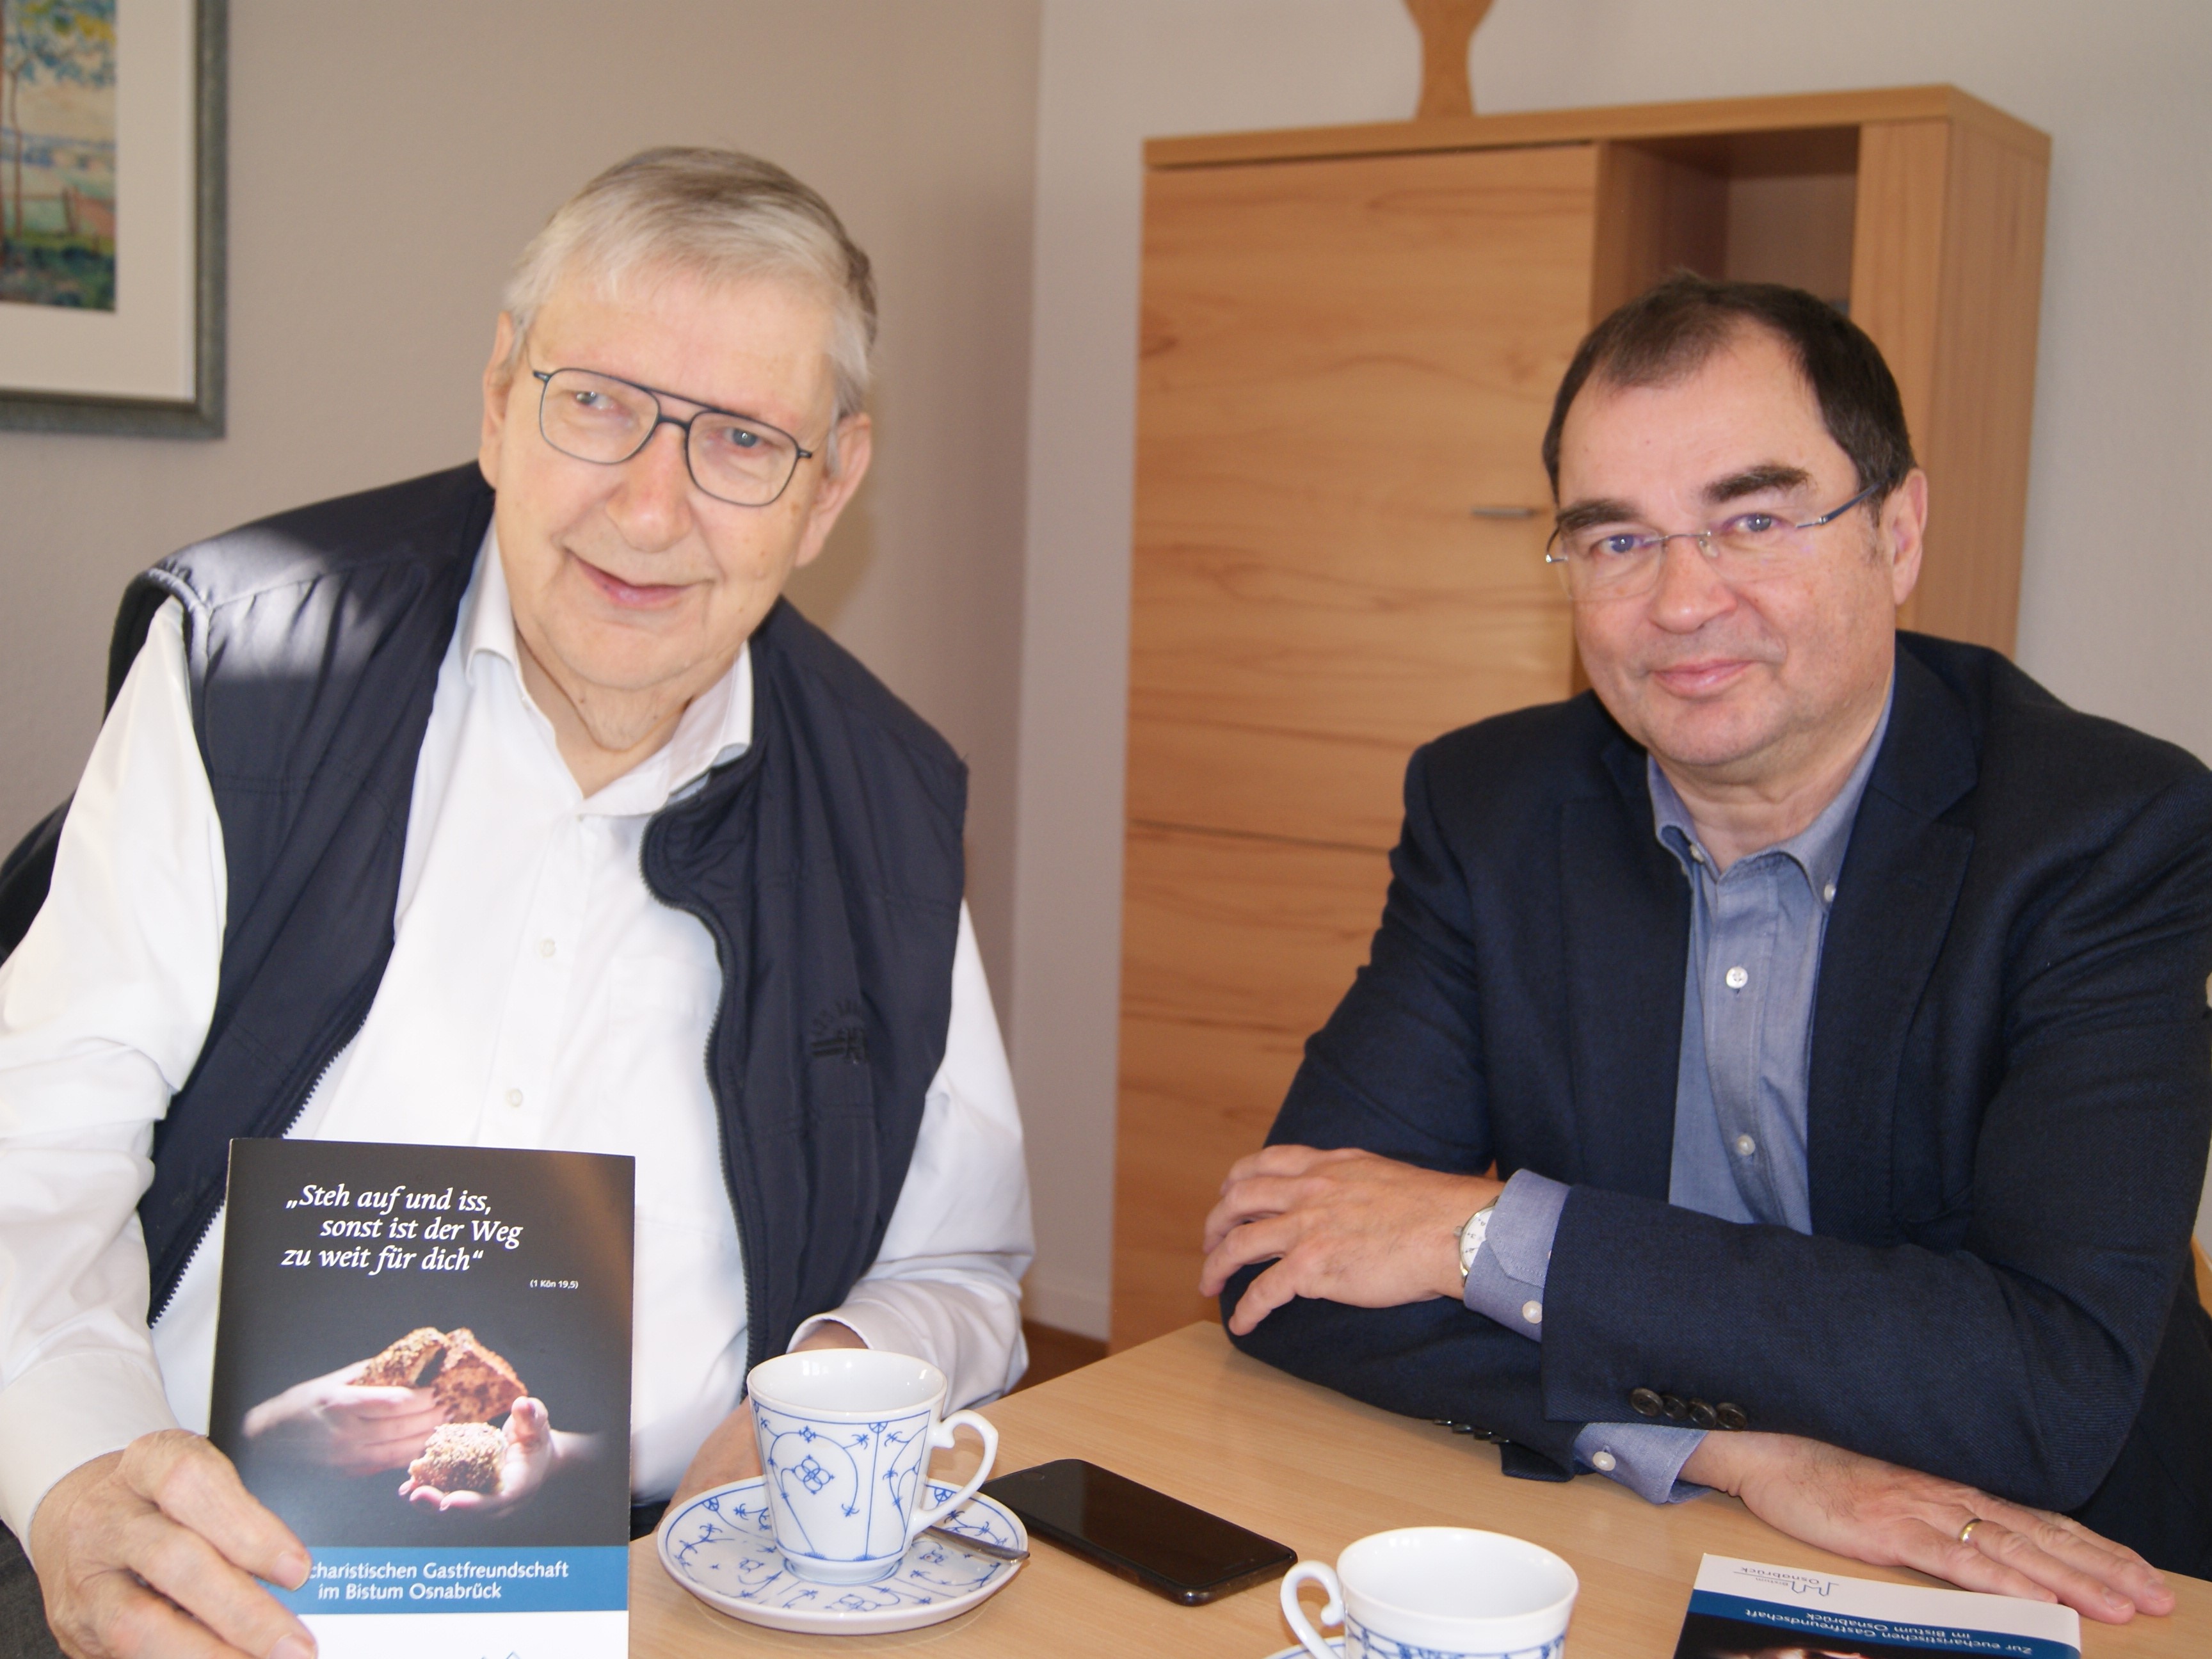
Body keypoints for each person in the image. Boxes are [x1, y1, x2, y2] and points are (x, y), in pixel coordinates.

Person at [0, 147, 1032, 1658]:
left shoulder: (886, 802)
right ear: (499, 400)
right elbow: (39, 1136)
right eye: (599, 403)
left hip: (655, 1586)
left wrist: (819, 1384)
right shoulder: (250, 668)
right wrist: (83, 1478)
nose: (651, 508)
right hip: (192, 1568)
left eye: (743, 439)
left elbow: (960, 1268)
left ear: (831, 488)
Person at [1199, 274, 2212, 1623]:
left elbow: (2047, 1383)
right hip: (1646, 1535)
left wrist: (1488, 1236)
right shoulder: (1492, 810)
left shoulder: (2104, 834)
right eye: (1617, 539)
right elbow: (1286, 1264)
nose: (1680, 601)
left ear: (1898, 532)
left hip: (2061, 1572)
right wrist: (1734, 1456)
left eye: (1753, 520)